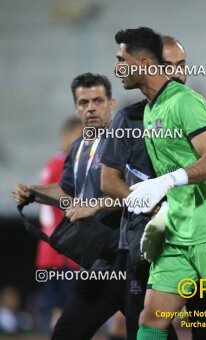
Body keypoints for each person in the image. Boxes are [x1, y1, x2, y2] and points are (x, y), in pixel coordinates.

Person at [103, 34, 206, 340]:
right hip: (175, 234)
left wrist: (167, 181)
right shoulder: (150, 110)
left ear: (143, 63)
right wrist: (163, 210)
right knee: (151, 318)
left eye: (122, 60)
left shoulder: (186, 101)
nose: (117, 66)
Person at [12, 73, 125, 340]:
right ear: (76, 108)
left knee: (152, 330)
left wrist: (94, 206)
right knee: (65, 333)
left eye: (98, 100)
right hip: (97, 263)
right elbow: (66, 190)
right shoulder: (77, 148)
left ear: (112, 104)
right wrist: (33, 192)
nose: (91, 108)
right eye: (83, 102)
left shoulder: (129, 141)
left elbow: (140, 195)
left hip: (130, 258)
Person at [36, 116, 82, 332]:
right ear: (65, 137)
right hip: (62, 250)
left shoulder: (53, 163)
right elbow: (51, 204)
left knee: (59, 309)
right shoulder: (63, 164)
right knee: (66, 309)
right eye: (78, 137)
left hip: (51, 248)